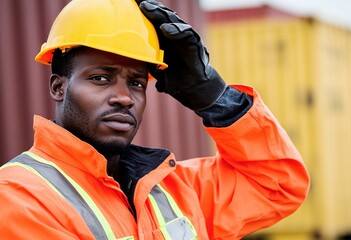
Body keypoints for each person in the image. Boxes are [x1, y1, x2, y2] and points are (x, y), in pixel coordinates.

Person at [0, 0, 310, 239]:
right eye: (100, 78)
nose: (124, 97)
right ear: (58, 87)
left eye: (136, 83)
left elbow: (277, 186)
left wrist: (215, 98)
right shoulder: (17, 195)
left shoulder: (175, 190)